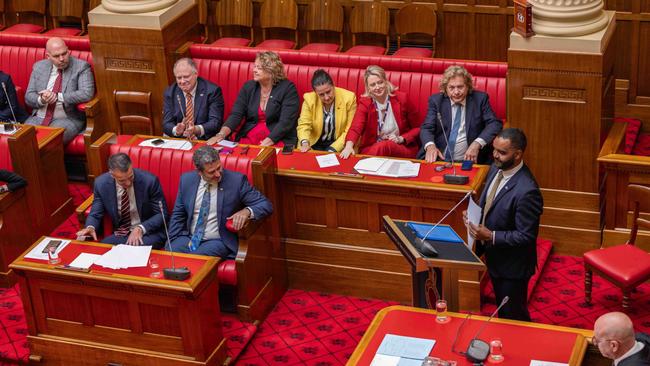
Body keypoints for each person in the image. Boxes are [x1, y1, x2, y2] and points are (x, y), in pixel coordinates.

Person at [464, 128, 543, 321]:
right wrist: (473, 216)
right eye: (494, 150)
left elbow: (526, 236)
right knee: (503, 312)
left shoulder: (527, 191)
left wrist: (491, 236)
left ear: (517, 154)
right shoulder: (496, 168)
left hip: (513, 267)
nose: (495, 156)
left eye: (502, 152)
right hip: (495, 257)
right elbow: (489, 203)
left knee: (513, 316)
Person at [168, 145, 273, 258]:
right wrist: (172, 239)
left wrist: (247, 211)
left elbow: (265, 204)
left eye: (219, 168)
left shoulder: (236, 181)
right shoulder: (186, 180)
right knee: (171, 253)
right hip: (189, 237)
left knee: (196, 259)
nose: (218, 174)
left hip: (218, 240)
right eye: (211, 172)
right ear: (199, 172)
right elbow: (178, 213)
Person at [208, 51, 299, 147]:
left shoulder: (288, 88)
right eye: (255, 66)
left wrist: (266, 143)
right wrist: (221, 134)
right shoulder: (249, 87)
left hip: (277, 137)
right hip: (251, 134)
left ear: (271, 71)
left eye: (259, 68)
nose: (254, 70)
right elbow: (236, 114)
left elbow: (286, 122)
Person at [76, 153, 167, 248]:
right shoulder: (101, 184)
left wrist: (140, 228)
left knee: (134, 248)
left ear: (131, 166)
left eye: (130, 177)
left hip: (148, 232)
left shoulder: (149, 181)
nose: (128, 183)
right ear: (112, 174)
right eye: (122, 181)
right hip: (122, 233)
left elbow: (161, 214)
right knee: (103, 247)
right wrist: (90, 227)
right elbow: (96, 212)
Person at [418, 65, 502, 164]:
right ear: (445, 88)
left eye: (460, 87)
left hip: (471, 160)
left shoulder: (480, 99)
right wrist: (430, 146)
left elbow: (494, 124)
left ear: (468, 86)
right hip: (438, 158)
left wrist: (477, 143)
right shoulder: (436, 101)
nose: (456, 92)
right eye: (451, 88)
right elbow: (427, 127)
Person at [24, 37, 95, 145]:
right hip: (38, 117)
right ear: (48, 56)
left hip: (67, 118)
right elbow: (29, 96)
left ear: (68, 50)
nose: (62, 58)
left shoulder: (81, 67)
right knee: (20, 142)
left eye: (64, 53)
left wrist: (58, 97)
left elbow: (87, 93)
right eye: (56, 56)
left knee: (47, 143)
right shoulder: (39, 67)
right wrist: (42, 99)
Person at [340, 65, 420, 159]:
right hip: (373, 149)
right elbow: (355, 128)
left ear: (386, 82)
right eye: (373, 85)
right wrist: (349, 146)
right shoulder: (365, 103)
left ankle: (360, 167)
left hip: (402, 148)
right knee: (382, 146)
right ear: (368, 87)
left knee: (385, 146)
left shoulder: (402, 99)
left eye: (380, 82)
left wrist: (401, 139)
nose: (377, 87)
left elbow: (418, 128)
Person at [162, 57, 224, 140]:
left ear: (196, 74)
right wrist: (176, 130)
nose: (182, 81)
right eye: (179, 78)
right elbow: (166, 123)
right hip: (179, 139)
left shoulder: (212, 91)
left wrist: (196, 129)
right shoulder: (170, 92)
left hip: (203, 139)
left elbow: (215, 123)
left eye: (186, 76)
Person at [297, 69, 357, 153]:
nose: (326, 97)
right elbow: (304, 125)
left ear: (333, 86)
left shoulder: (349, 98)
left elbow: (349, 129)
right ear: (315, 93)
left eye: (328, 92)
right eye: (321, 94)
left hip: (338, 145)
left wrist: (332, 149)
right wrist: (305, 142)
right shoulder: (309, 99)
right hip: (313, 143)